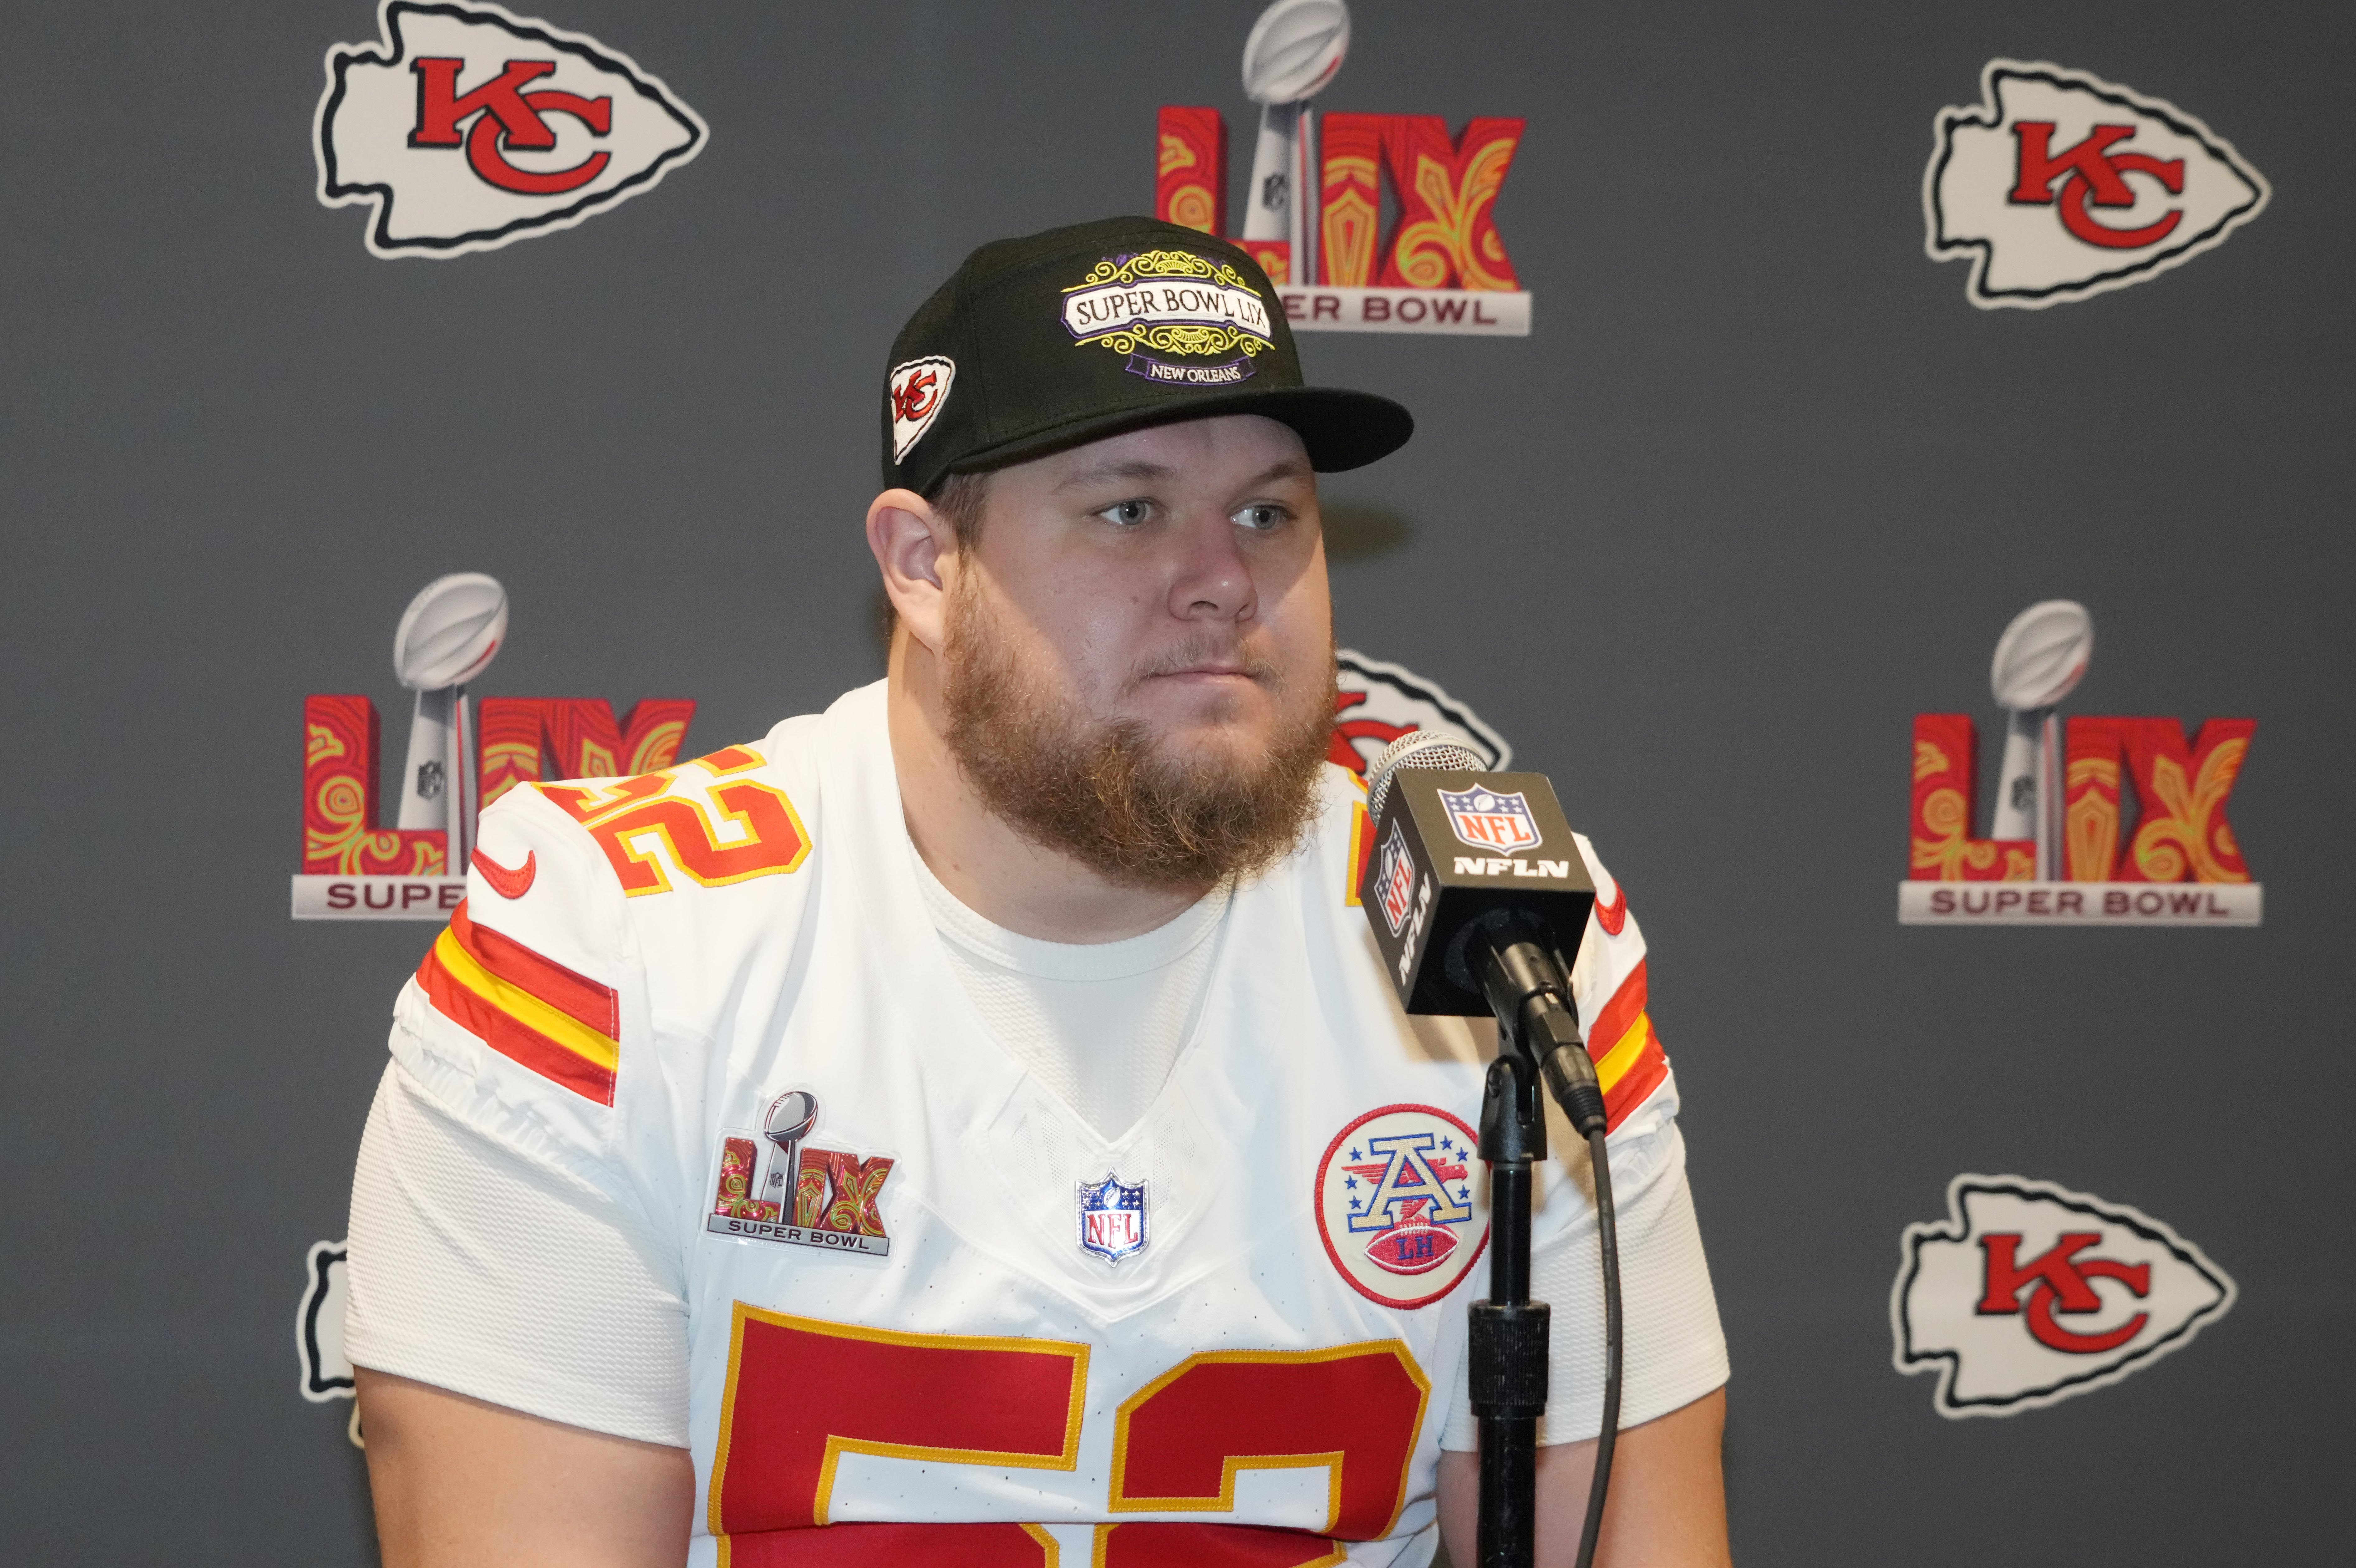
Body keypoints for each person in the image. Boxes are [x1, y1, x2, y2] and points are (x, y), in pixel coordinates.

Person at [345, 216, 1731, 1568]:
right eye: (1130, 510)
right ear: (925, 566)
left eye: (1269, 511)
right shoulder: (613, 945)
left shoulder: (1503, 942)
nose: (1222, 580)